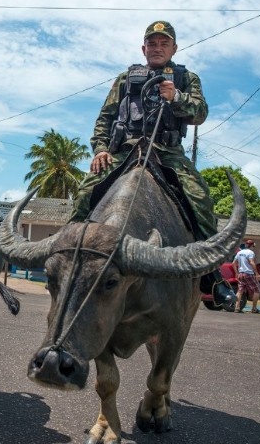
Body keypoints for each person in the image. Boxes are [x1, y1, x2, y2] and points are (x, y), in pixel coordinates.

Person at [68, 20, 232, 305]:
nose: (157, 48)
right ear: (143, 48)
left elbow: (200, 113)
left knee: (200, 199)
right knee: (85, 191)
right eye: (152, 44)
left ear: (174, 48)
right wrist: (101, 150)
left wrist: (177, 97)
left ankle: (211, 273)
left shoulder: (186, 78)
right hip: (126, 149)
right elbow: (104, 119)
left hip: (167, 151)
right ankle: (68, 256)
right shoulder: (124, 79)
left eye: (163, 43)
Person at [233, 239, 260, 314]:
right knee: (256, 290)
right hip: (249, 274)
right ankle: (254, 308)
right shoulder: (250, 252)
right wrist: (257, 273)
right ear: (252, 246)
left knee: (240, 291)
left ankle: (237, 307)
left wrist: (236, 273)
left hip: (241, 274)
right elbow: (251, 262)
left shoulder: (239, 252)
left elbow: (233, 263)